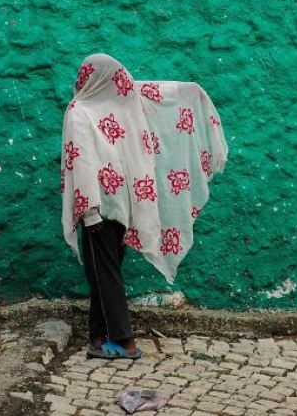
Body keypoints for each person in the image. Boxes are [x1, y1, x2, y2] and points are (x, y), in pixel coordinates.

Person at [60, 54, 227, 360]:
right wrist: (192, 92)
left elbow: (82, 161)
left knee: (104, 273)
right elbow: (159, 92)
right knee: (103, 273)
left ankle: (124, 342)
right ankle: (97, 337)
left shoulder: (80, 111)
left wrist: (90, 211)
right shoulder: (125, 105)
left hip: (99, 210)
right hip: (126, 206)